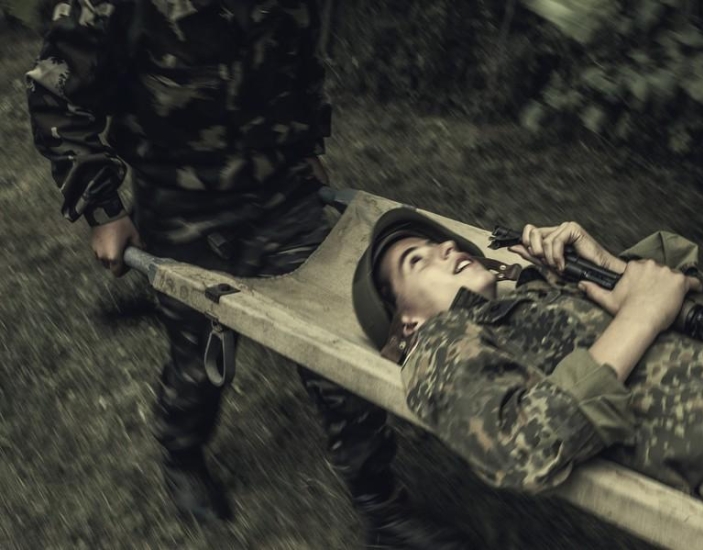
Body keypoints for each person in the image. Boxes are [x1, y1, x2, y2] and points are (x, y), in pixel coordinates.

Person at [25, 1, 473, 547]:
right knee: (202, 364)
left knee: (344, 345)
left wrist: (306, 145)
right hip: (180, 207)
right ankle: (181, 452)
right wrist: (104, 209)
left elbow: (302, 62)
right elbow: (54, 96)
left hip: (281, 197)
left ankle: (381, 505)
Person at [352, 207, 703, 547]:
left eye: (438, 243)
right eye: (417, 260)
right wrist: (640, 314)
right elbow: (525, 447)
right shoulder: (437, 347)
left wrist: (613, 270)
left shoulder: (534, 294)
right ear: (408, 323)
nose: (446, 247)